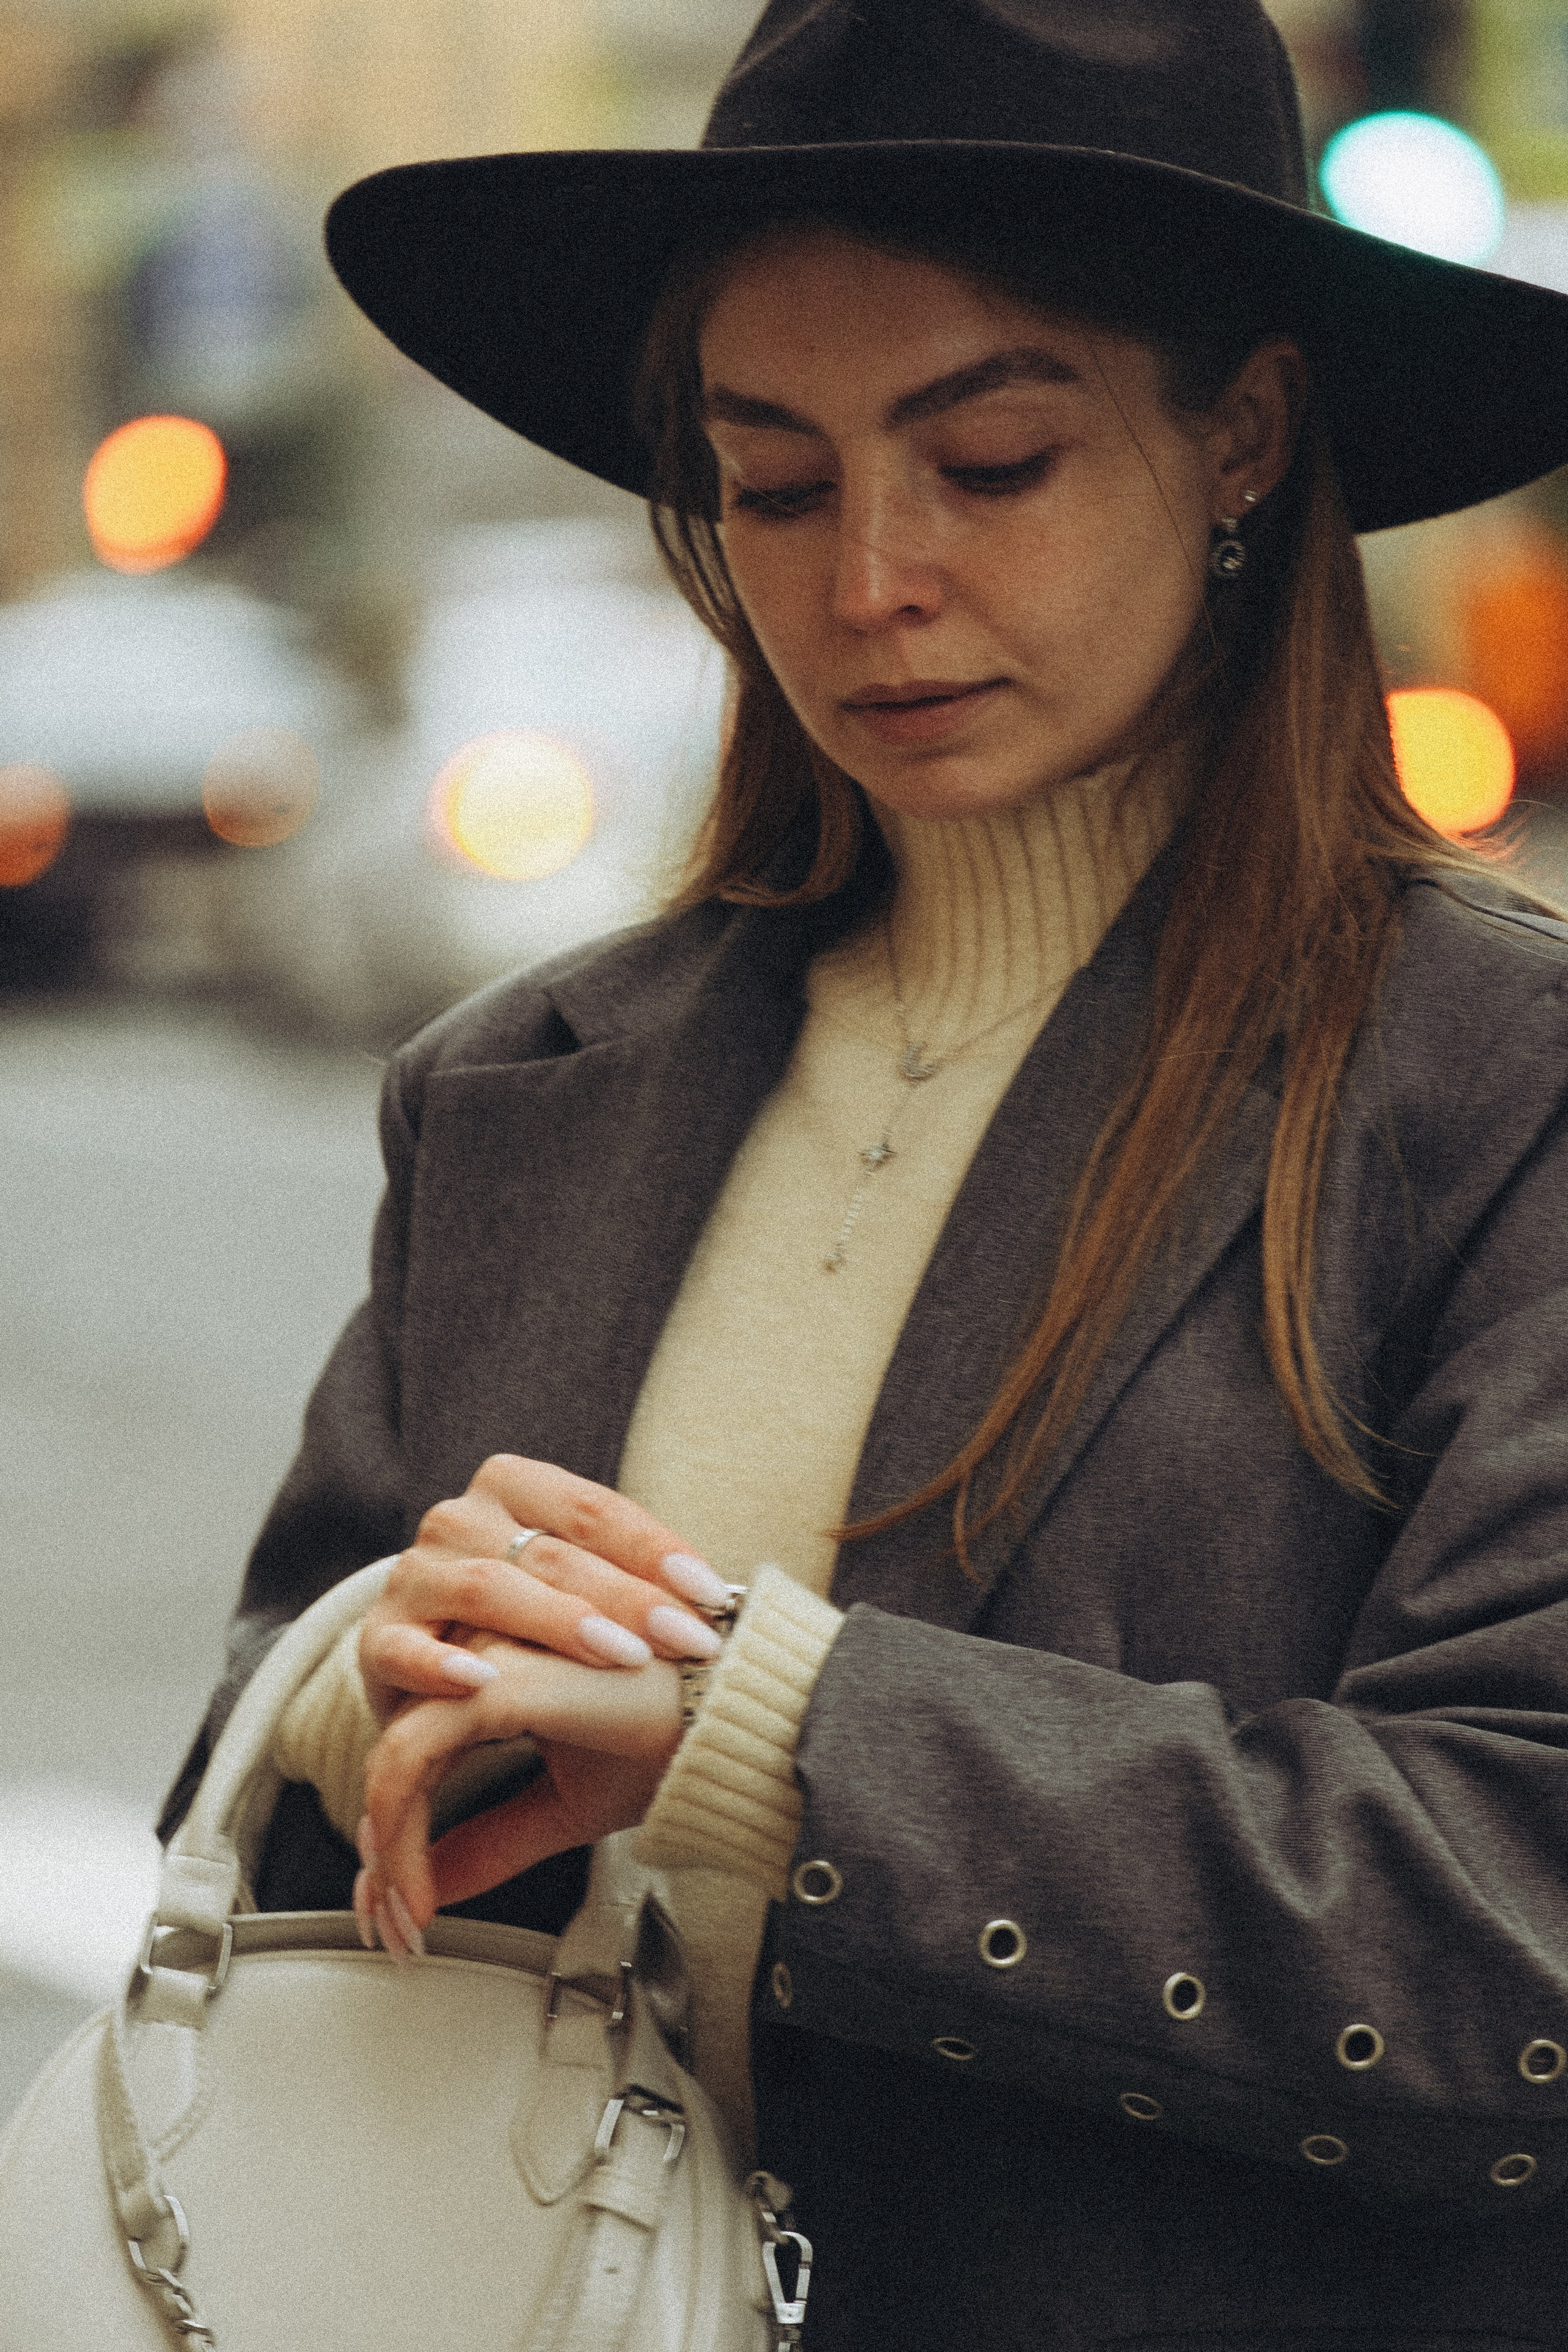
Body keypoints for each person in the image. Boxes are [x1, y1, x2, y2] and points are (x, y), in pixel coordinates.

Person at [159, 1, 1568, 2343]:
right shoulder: (526, 1085)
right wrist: (353, 1691)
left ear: (1243, 436)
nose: (870, 578)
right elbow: (261, 1752)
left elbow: (1521, 1921)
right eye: (776, 484)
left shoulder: (1492, 1092)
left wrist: (776, 1731)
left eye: (993, 458)